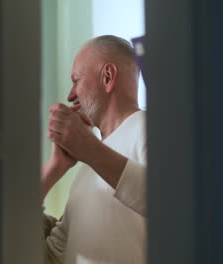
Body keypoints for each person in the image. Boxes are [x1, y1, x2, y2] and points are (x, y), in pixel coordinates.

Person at [42, 35, 147, 264]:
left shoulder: (152, 128)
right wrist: (53, 168)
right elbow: (52, 256)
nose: (70, 95)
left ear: (107, 77)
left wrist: (90, 150)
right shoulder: (84, 172)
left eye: (76, 80)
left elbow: (172, 203)